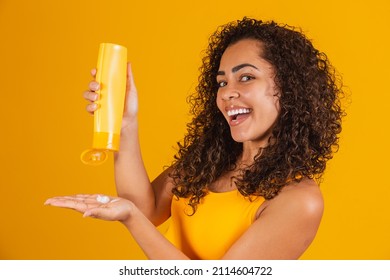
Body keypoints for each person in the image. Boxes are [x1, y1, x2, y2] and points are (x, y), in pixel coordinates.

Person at [45, 17, 344, 259]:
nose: (227, 92)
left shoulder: (299, 201)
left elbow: (138, 216)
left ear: (289, 90)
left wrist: (130, 218)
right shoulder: (209, 162)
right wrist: (126, 123)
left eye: (246, 77)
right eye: (222, 82)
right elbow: (145, 208)